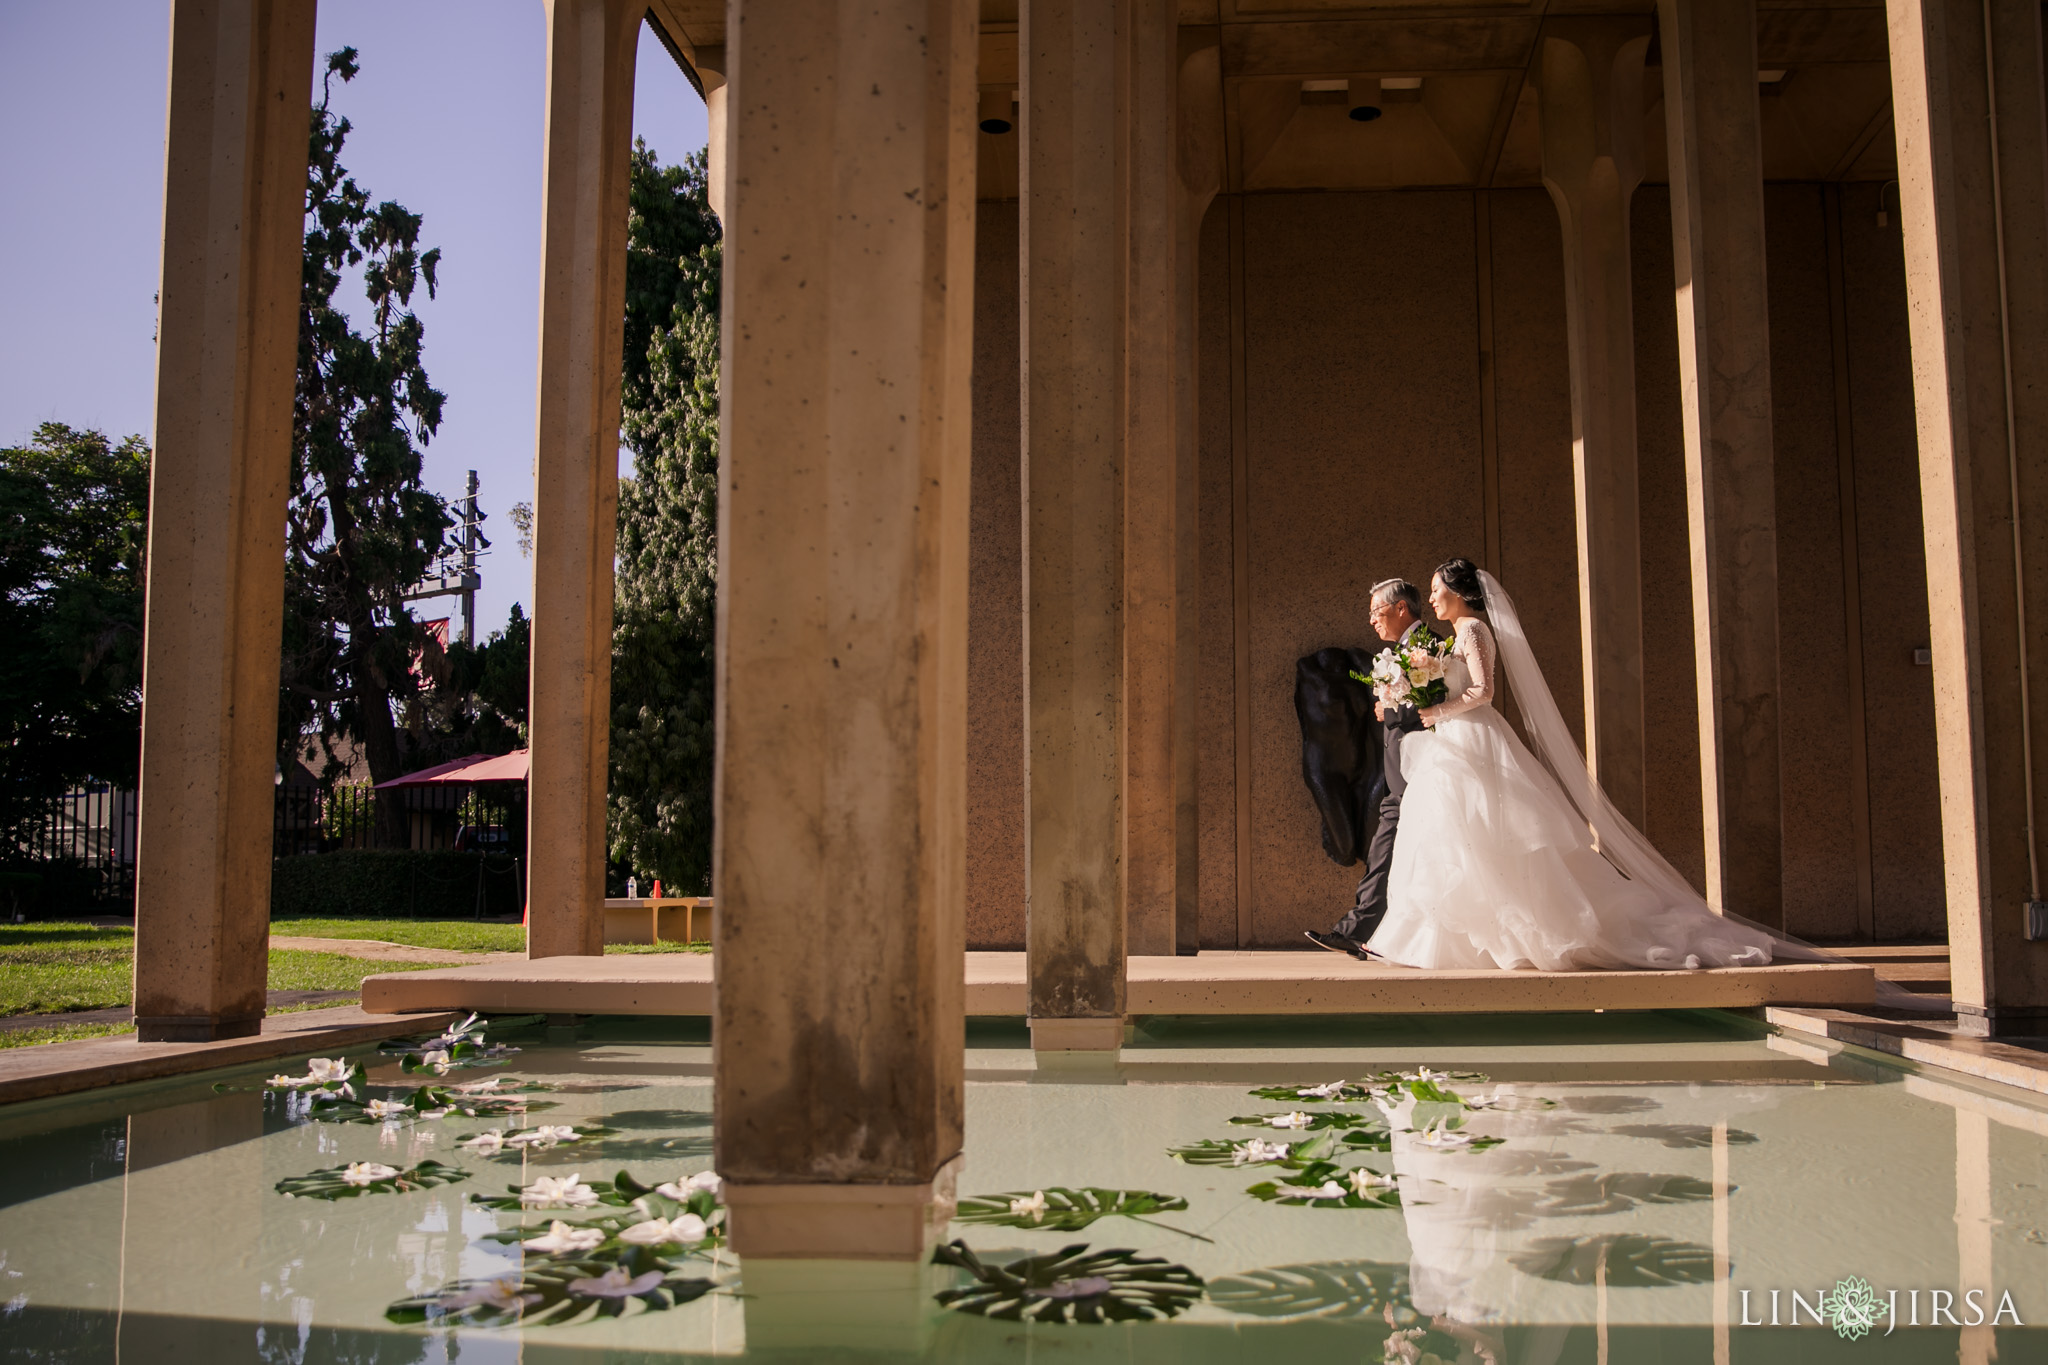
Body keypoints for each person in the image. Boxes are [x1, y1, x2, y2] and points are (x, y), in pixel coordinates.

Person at [1365, 558, 1778, 971]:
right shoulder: (1453, 637)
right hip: (1453, 741)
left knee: (1489, 834)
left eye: (1437, 591)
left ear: (1457, 593)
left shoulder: (1473, 629)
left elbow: (1484, 691)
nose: (1432, 598)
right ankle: (1456, 938)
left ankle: (1519, 935)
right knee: (1453, 836)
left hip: (1474, 735)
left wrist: (1437, 712)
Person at [1305, 577, 1434, 961]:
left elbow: (1439, 702)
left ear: (1401, 608)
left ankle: (1365, 933)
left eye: (1377, 612)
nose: (1372, 621)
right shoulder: (1401, 650)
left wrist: (1388, 709)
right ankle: (1361, 932)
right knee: (1385, 851)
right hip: (1402, 774)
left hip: (1424, 771)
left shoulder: (1428, 646)